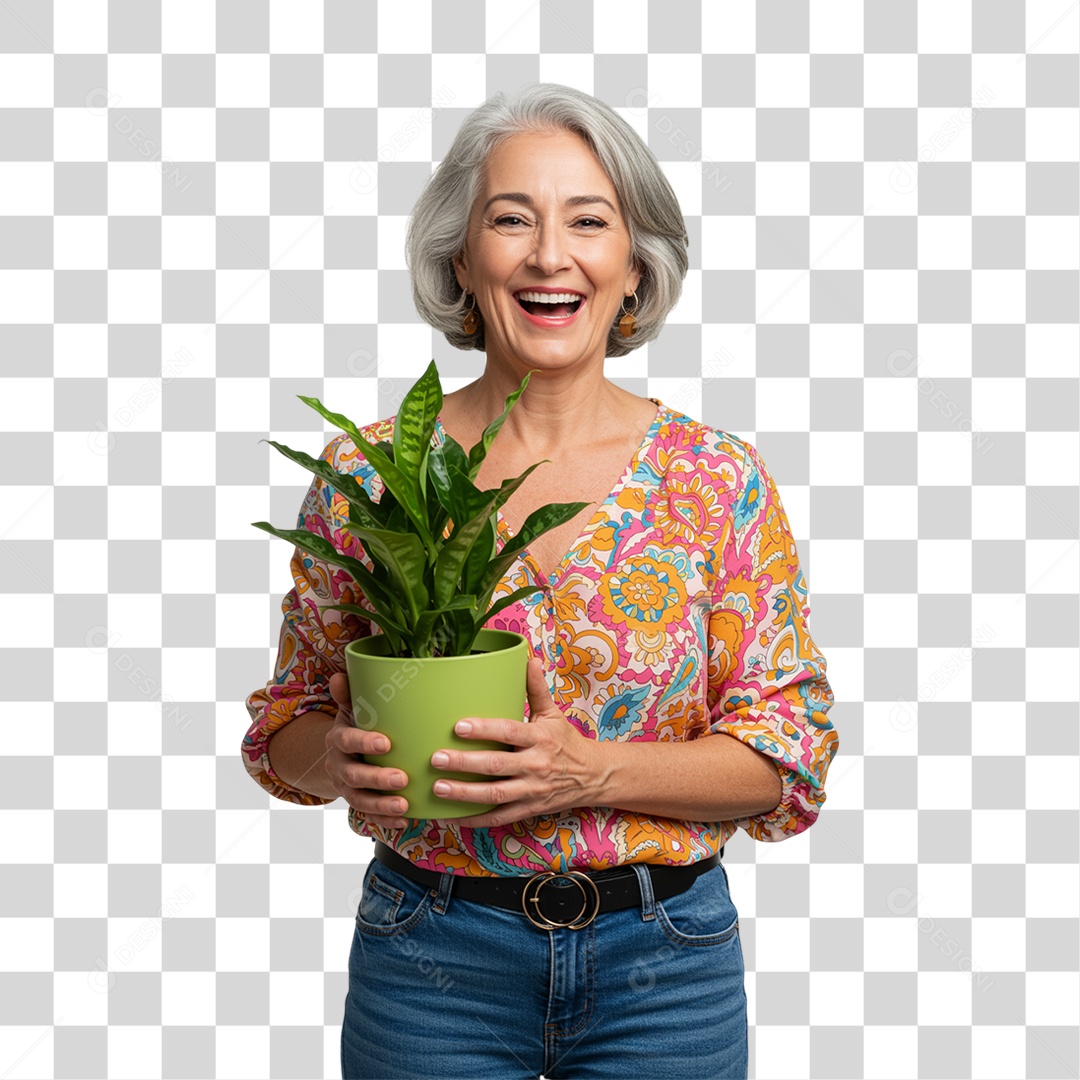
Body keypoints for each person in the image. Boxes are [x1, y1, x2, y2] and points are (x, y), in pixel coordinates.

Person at [243, 82, 839, 1080]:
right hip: (431, 955)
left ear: (634, 269)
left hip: (667, 964)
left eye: (589, 221)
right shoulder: (371, 478)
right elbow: (284, 729)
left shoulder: (714, 480)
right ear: (461, 260)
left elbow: (786, 759)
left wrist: (590, 772)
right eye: (510, 218)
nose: (549, 254)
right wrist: (340, 760)